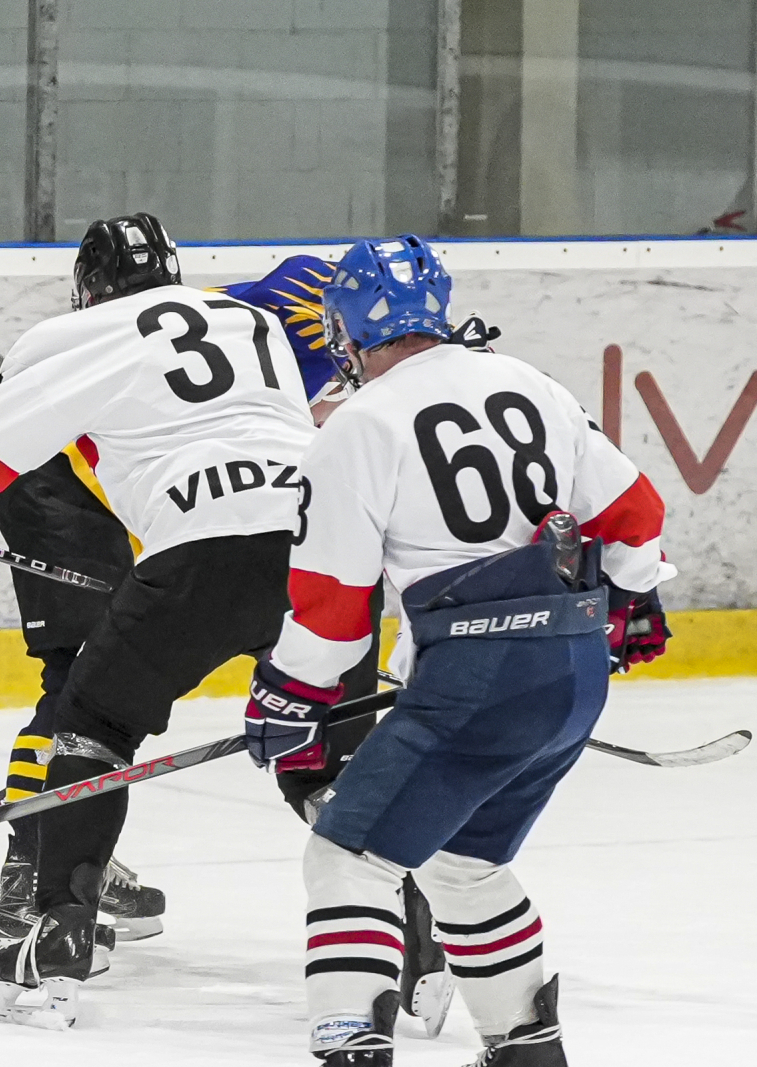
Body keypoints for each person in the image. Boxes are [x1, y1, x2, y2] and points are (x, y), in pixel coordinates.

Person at [242, 235, 672, 1064]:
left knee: (346, 857)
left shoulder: (359, 423)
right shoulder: (529, 383)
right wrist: (629, 595)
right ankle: (527, 1048)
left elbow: (334, 602)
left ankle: (353, 1044)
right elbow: (635, 513)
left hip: (476, 676)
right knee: (460, 863)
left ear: (347, 326)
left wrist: (292, 692)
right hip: (572, 674)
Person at [0, 212, 320, 1027]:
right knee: (325, 728)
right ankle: (414, 913)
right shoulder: (256, 319)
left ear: (87, 289)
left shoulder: (75, 337)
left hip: (190, 543)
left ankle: (54, 916)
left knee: (89, 718)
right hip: (312, 550)